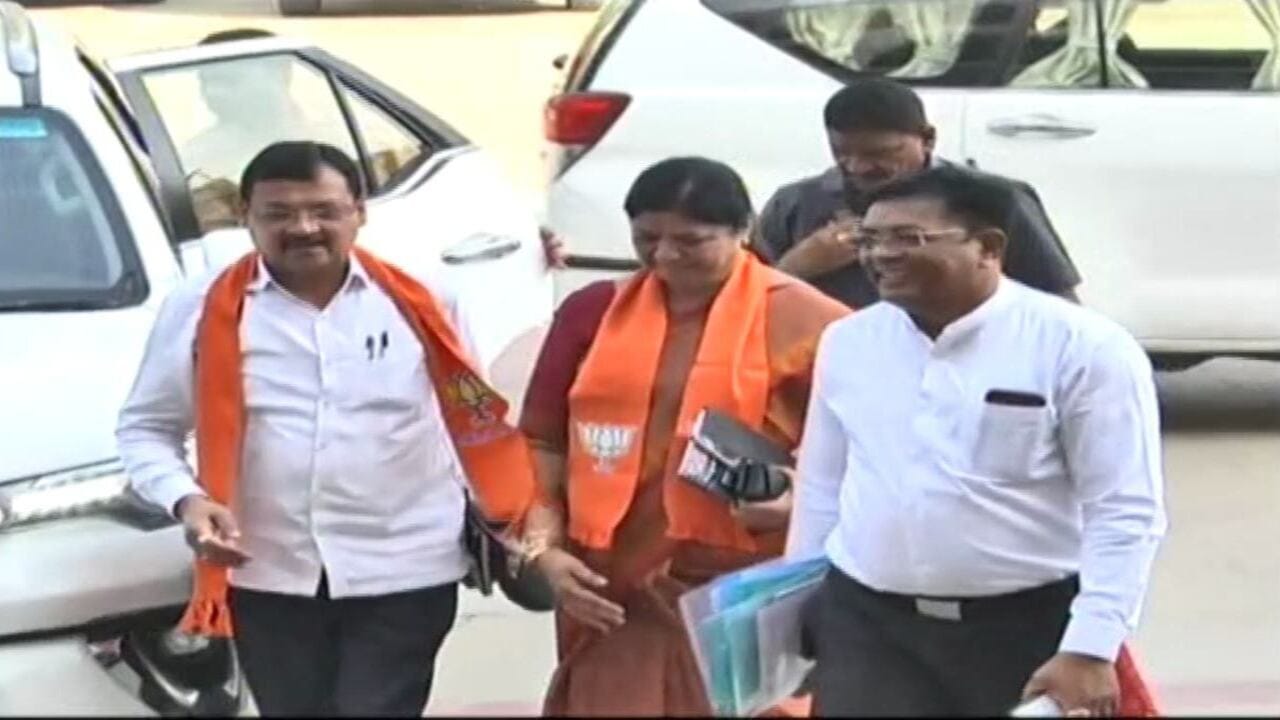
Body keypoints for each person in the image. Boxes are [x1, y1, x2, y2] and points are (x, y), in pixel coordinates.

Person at [116, 141, 535, 717]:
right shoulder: (199, 307)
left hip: (405, 565)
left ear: (359, 211)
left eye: (323, 211)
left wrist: (514, 515)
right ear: (244, 216)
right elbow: (146, 427)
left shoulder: (424, 299)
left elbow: (470, 415)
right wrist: (187, 500)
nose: (304, 228)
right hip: (266, 571)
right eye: (279, 213)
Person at [787, 165, 1167, 717]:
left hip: (1025, 628)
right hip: (868, 626)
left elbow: (1125, 508)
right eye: (869, 239)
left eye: (907, 238)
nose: (881, 255)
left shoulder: (1085, 347)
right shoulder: (848, 341)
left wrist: (1091, 646)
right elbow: (824, 483)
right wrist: (800, 604)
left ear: (987, 247)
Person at [514, 157, 850, 716]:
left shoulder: (815, 323)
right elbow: (541, 441)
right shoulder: (592, 312)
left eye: (690, 241)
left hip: (745, 590)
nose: (665, 256)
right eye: (647, 239)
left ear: (743, 231)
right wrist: (543, 552)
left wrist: (796, 495)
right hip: (610, 585)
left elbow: (869, 455)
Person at [753, 77, 1081, 308]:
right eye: (842, 153)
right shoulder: (795, 204)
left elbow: (1059, 304)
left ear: (928, 139)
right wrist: (798, 266)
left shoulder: (994, 199)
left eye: (880, 154)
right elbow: (741, 307)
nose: (858, 167)